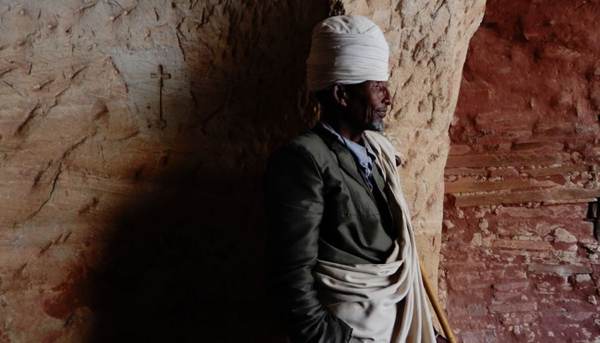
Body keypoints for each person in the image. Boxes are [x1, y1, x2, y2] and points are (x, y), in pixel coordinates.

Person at [265, 15, 437, 343]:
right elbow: (289, 273)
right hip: (350, 331)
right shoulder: (303, 160)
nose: (388, 99)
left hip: (391, 322)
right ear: (342, 95)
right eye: (378, 87)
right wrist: (330, 337)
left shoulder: (377, 151)